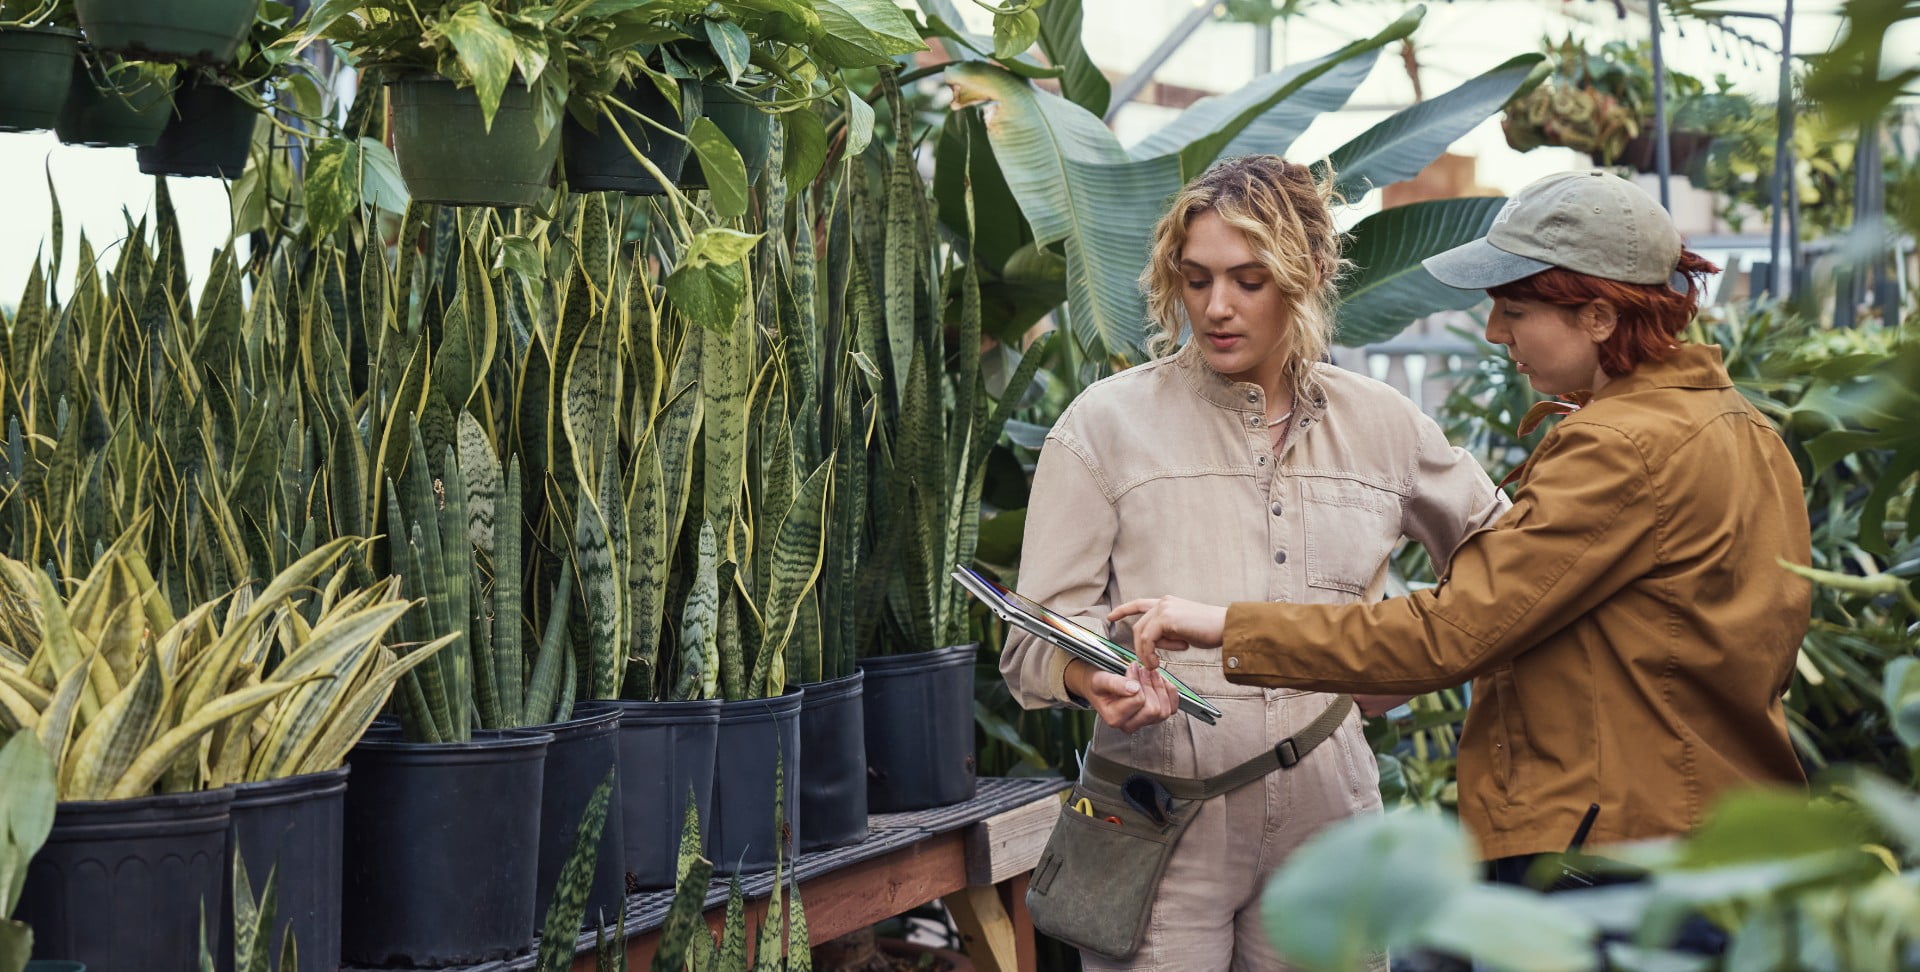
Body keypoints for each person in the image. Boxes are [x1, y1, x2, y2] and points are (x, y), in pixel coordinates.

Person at [1110, 170, 1813, 892]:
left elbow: (1451, 634)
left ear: (1600, 316)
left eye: (1514, 309)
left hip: (1616, 850)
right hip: (1722, 833)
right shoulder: (1743, 430)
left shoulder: (1621, 448)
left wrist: (1227, 627)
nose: (1494, 332)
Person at [1000, 155, 1509, 971]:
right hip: (1154, 808)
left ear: (1307, 271)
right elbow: (1032, 639)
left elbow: (1510, 576)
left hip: (1329, 811)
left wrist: (1403, 668)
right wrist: (1090, 677)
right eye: (1196, 279)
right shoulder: (1103, 427)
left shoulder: (1385, 427)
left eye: (1249, 279)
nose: (1217, 307)